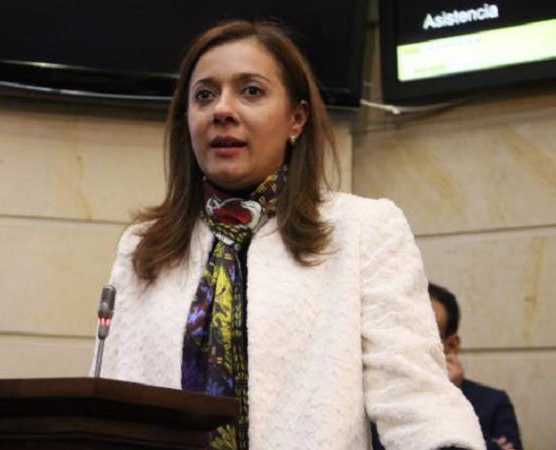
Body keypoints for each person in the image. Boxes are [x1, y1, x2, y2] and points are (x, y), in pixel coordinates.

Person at [95, 20, 484, 450]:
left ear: (296, 119)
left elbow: (414, 396)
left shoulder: (363, 229)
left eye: (251, 91)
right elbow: (110, 401)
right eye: (204, 95)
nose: (222, 110)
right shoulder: (143, 244)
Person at [372, 283, 524, 450]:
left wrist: (449, 400)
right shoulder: (373, 401)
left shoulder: (493, 404)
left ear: (451, 345)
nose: (409, 343)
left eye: (425, 335)